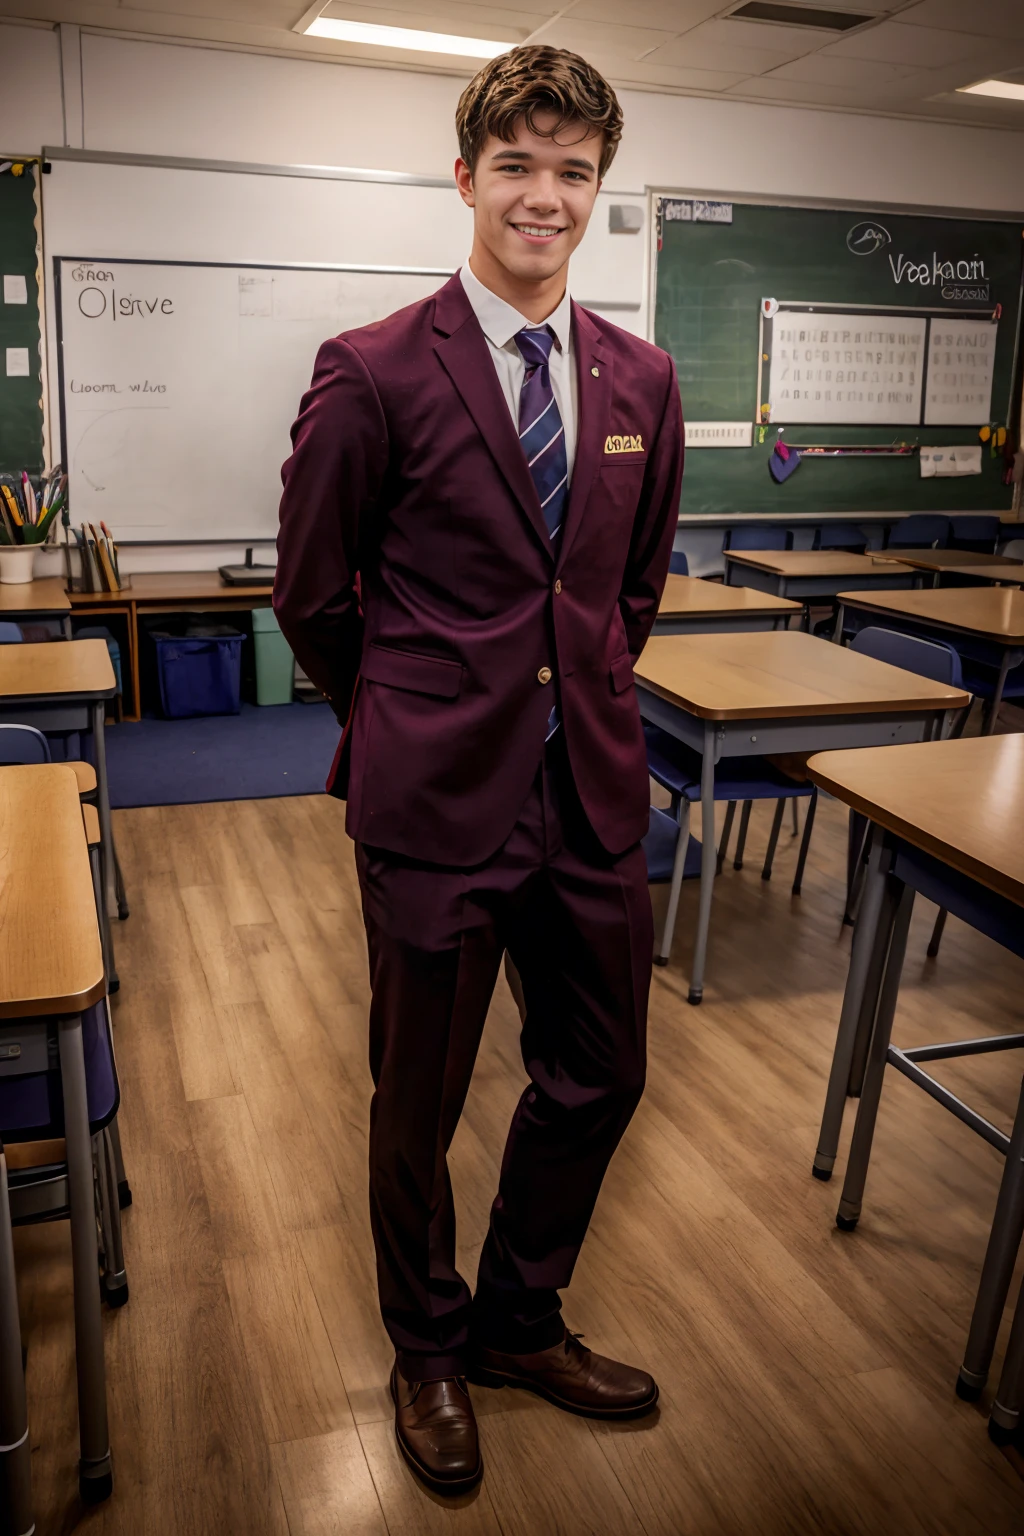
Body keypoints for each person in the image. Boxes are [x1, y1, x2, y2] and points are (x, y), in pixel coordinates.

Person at [274, 43, 684, 1496]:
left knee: (602, 1070)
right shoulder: (375, 369)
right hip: (436, 804)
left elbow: (627, 590)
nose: (544, 195)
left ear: (597, 192)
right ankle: (431, 1347)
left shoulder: (641, 379)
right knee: (419, 1101)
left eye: (572, 171)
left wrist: (576, 696)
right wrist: (404, 710)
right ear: (466, 179)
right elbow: (315, 598)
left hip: (588, 795)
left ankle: (519, 1317)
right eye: (517, 165)